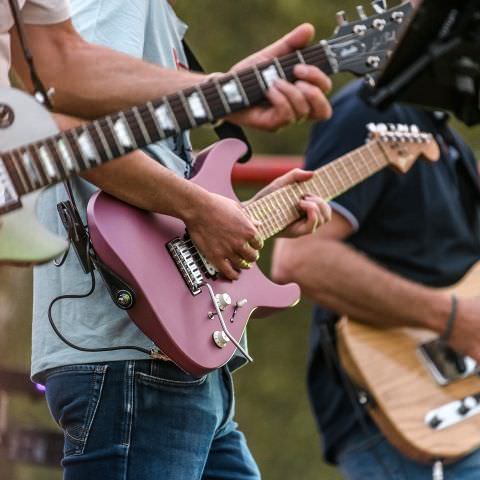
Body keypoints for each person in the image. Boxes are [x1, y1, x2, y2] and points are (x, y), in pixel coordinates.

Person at [2, 1, 333, 478]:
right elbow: (67, 112)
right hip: (133, 347)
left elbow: (129, 147)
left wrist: (238, 209)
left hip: (173, 348)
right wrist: (198, 207)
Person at [272, 78, 480, 479]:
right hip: (407, 413)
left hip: (454, 410)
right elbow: (300, 258)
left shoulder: (445, 136)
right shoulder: (371, 110)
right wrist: (451, 318)